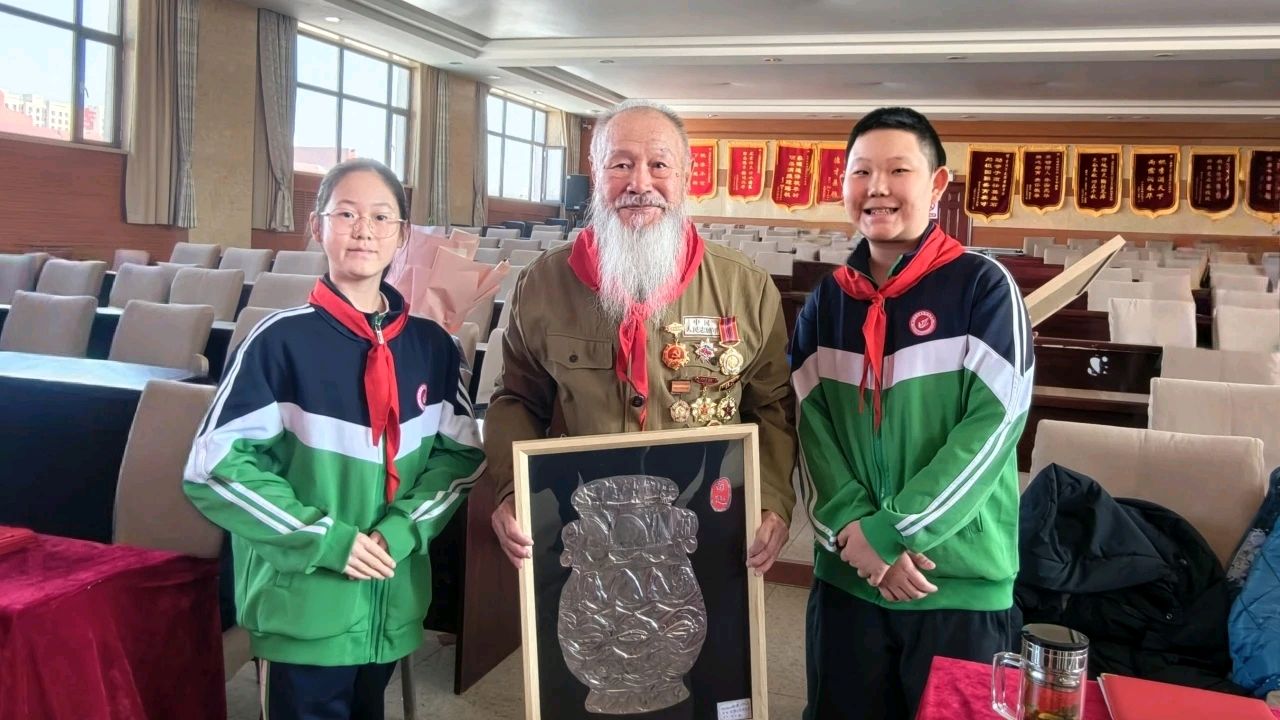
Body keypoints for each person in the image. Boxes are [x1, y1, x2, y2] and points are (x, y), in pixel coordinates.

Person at [183, 158, 485, 720]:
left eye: (381, 216)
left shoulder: (432, 348)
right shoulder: (278, 342)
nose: (363, 229)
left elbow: (460, 456)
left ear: (402, 234)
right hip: (302, 604)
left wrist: (403, 529)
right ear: (317, 226)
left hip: (390, 601)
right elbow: (214, 468)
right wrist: (326, 539)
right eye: (345, 214)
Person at [789, 107, 1034, 720]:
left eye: (898, 170)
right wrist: (853, 531)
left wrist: (894, 532)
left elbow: (994, 427)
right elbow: (810, 430)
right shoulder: (826, 302)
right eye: (861, 172)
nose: (877, 187)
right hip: (848, 578)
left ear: (937, 183)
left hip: (955, 586)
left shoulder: (984, 287)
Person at [486, 99, 797, 575]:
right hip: (581, 521)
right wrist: (513, 489)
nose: (640, 184)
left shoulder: (745, 287)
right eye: (621, 165)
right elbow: (517, 399)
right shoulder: (543, 284)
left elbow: (771, 407)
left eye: (659, 165)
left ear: (686, 176)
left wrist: (772, 499)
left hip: (709, 517)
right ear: (596, 173)